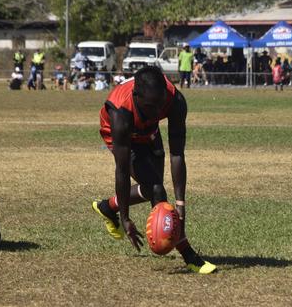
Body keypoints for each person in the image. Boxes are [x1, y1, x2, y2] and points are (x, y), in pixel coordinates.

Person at [91, 66, 217, 274]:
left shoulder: (173, 100)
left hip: (148, 131)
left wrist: (180, 204)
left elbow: (177, 153)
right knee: (157, 188)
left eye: (160, 106)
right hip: (122, 135)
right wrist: (125, 218)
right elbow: (122, 171)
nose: (158, 112)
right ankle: (188, 255)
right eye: (151, 106)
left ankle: (107, 207)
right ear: (136, 95)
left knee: (152, 188)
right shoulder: (120, 114)